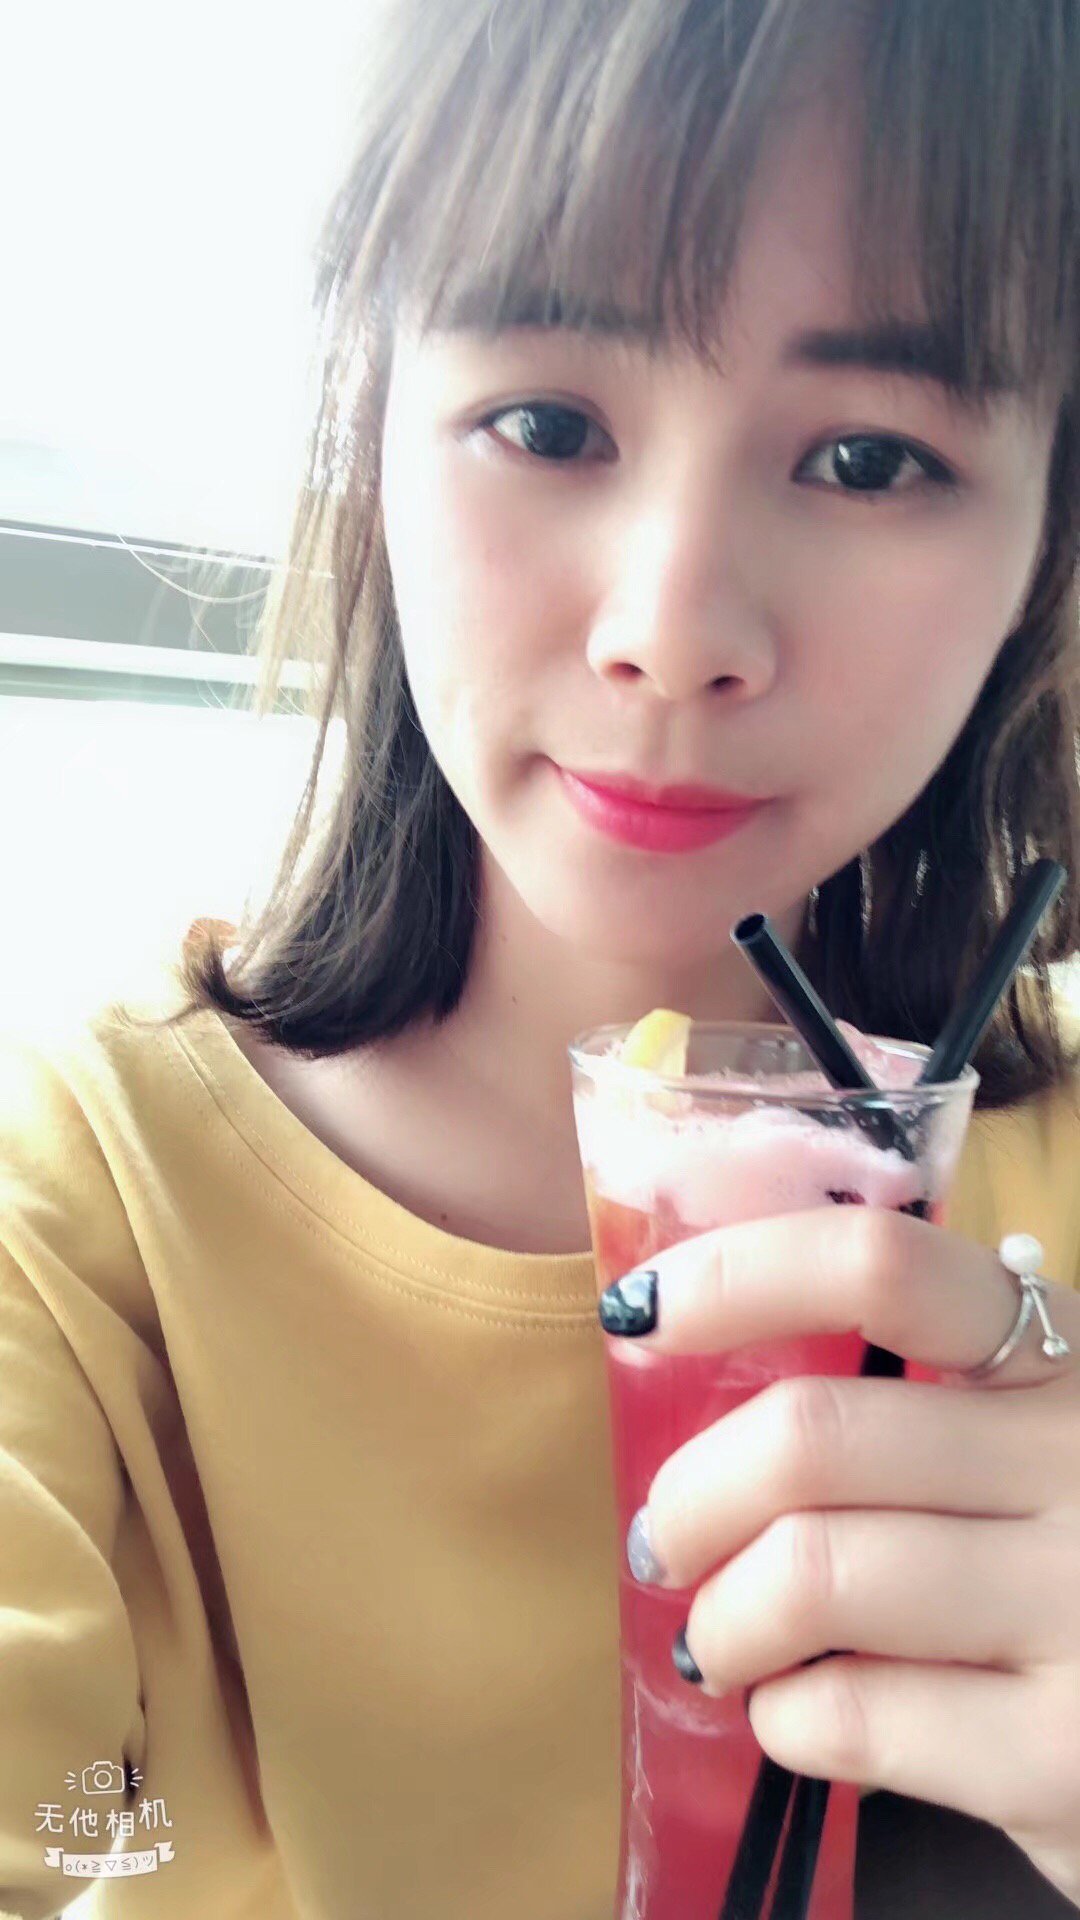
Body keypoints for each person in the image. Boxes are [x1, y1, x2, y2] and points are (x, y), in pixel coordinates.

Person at [2, 1, 1079, 1916]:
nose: (674, 628)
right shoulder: (82, 1224)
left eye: (866, 456)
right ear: (375, 433)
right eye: (548, 424)